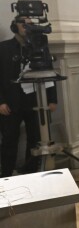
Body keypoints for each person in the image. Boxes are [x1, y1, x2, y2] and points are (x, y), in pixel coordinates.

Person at [0, 15, 57, 177]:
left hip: (36, 101)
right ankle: (5, 176)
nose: (27, 26)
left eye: (30, 24)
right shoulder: (3, 48)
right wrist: (0, 102)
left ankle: (30, 174)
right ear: (14, 26)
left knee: (35, 140)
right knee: (9, 141)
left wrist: (52, 99)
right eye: (23, 23)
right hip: (9, 104)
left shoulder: (40, 47)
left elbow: (49, 72)